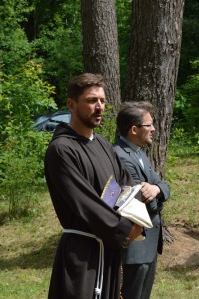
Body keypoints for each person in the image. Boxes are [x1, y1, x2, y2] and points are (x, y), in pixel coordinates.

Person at [44, 73, 143, 299]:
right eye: (91, 101)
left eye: (102, 101)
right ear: (72, 104)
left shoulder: (102, 144)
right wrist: (125, 229)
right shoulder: (62, 150)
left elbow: (126, 185)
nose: (99, 107)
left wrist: (136, 218)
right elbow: (85, 203)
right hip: (81, 253)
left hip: (108, 248)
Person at [113, 101, 170, 299]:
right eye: (149, 125)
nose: (154, 129)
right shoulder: (121, 156)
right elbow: (142, 202)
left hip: (148, 244)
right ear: (134, 129)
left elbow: (163, 186)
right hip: (136, 243)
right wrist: (156, 194)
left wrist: (156, 189)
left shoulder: (139, 154)